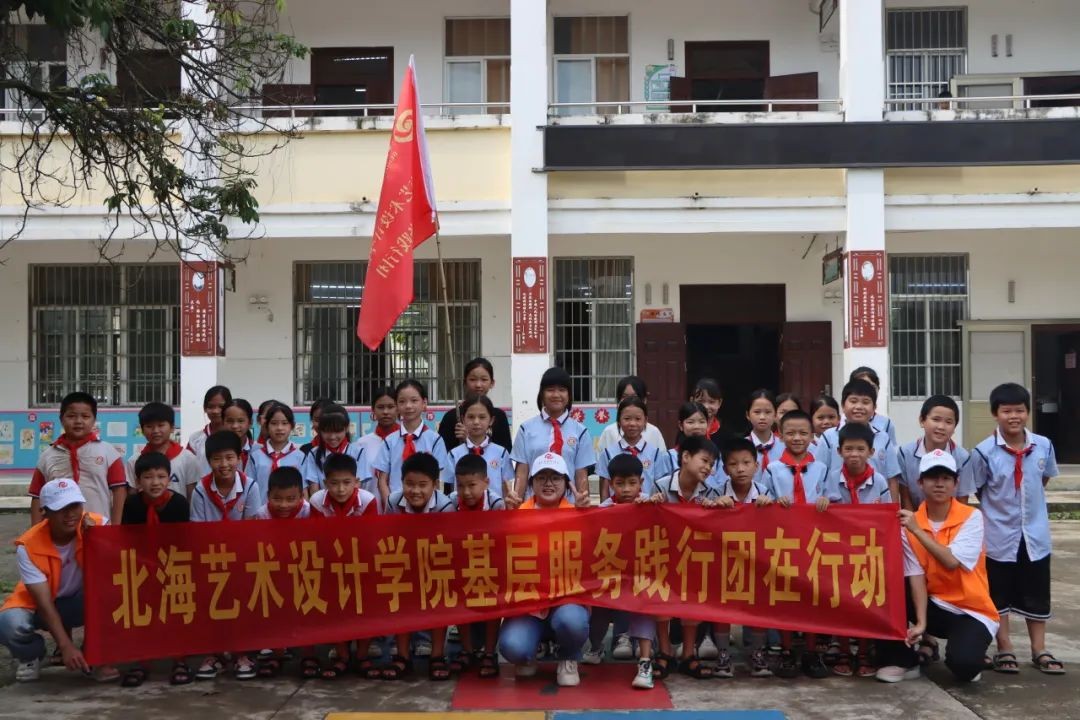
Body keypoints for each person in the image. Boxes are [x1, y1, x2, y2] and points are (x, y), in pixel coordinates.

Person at [875, 449, 999, 684]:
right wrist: (921, 623)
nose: (939, 484)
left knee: (964, 666)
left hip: (970, 610)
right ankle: (903, 661)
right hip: (934, 604)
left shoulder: (971, 517)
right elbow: (916, 576)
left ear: (955, 483)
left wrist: (917, 531)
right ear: (920, 483)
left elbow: (951, 562)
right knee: (885, 588)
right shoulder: (911, 524)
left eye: (946, 478)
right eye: (932, 477)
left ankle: (969, 654)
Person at [971, 383, 1065, 675]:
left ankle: (1039, 649)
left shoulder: (1043, 445)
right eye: (1006, 411)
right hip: (998, 535)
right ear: (995, 414)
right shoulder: (983, 452)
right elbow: (978, 488)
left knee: (1037, 593)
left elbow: (1042, 480)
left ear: (1028, 412)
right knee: (999, 594)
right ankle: (1005, 647)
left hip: (1035, 535)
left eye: (1020, 410)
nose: (1014, 416)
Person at [0, 480, 113, 683]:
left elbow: (111, 575)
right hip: (39, 605)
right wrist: (65, 646)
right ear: (45, 513)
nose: (70, 514)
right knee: (9, 623)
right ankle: (30, 655)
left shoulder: (99, 525)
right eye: (61, 509)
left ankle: (97, 654)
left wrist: (95, 538)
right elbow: (44, 605)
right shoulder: (28, 545)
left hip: (79, 601)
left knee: (111, 597)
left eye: (75, 506)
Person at [498, 452, 591, 687]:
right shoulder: (518, 514)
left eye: (555, 478)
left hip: (567, 600)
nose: (548, 484)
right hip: (528, 605)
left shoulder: (578, 514)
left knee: (572, 622)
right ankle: (531, 651)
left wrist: (587, 518)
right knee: (512, 647)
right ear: (531, 484)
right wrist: (506, 519)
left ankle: (568, 655)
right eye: (541, 478)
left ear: (566, 483)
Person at [651, 435, 726, 680]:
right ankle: (664, 651)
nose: (708, 468)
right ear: (685, 457)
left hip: (695, 558)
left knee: (693, 600)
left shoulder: (711, 492)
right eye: (704, 460)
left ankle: (688, 654)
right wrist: (651, 504)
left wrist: (719, 507)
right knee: (661, 598)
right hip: (664, 556)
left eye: (712, 464)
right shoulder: (661, 486)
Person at [763, 410, 831, 679]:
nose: (797, 438)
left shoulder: (822, 469)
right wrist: (772, 502)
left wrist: (826, 501)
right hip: (785, 540)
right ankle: (787, 650)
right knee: (786, 596)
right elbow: (763, 499)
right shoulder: (772, 468)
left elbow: (831, 497)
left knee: (812, 596)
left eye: (803, 433)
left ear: (813, 436)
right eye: (790, 433)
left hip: (814, 541)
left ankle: (812, 651)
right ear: (780, 435)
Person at [190, 431, 262, 679]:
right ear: (209, 461)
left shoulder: (250, 486)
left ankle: (243, 653)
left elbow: (251, 527)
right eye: (217, 459)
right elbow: (198, 530)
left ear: (239, 458)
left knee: (242, 605)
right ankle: (214, 653)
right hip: (211, 558)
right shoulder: (201, 490)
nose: (224, 464)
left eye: (229, 457)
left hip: (241, 558)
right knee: (211, 606)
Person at [584, 454, 658, 689]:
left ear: (641, 483)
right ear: (610, 484)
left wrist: (655, 507)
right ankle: (596, 647)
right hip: (610, 573)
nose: (626, 489)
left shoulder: (650, 505)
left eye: (632, 483)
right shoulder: (603, 509)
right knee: (599, 611)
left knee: (644, 607)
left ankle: (645, 662)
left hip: (641, 574)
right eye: (620, 483)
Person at [119, 452, 192, 686]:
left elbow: (185, 539)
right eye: (148, 477)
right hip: (143, 568)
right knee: (143, 614)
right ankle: (142, 660)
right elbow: (126, 538)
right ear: (138, 480)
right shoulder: (132, 504)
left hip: (174, 566)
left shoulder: (179, 503)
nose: (155, 482)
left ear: (169, 478)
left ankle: (180, 659)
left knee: (177, 612)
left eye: (161, 476)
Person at [826, 422, 891, 678]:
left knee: (866, 601)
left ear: (871, 452)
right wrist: (822, 504)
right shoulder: (831, 479)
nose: (854, 454)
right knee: (842, 602)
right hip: (840, 551)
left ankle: (864, 651)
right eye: (849, 449)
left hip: (868, 551)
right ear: (839, 451)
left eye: (861, 449)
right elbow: (822, 514)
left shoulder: (879, 481)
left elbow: (887, 516)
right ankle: (843, 650)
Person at [307, 453, 380, 678]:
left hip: (361, 562)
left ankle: (363, 655)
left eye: (347, 482)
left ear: (357, 482)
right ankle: (342, 656)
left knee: (365, 609)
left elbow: (370, 537)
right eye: (334, 483)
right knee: (335, 609)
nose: (340, 489)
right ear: (325, 482)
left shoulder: (368, 500)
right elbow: (317, 538)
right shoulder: (316, 501)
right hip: (330, 563)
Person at [384, 452, 455, 681]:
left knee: (439, 602)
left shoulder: (445, 506)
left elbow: (447, 545)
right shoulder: (393, 501)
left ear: (435, 484)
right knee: (400, 599)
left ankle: (437, 655)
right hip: (403, 562)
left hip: (435, 564)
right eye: (409, 484)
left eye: (422, 485)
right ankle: (402, 656)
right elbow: (388, 537)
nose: (415, 491)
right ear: (401, 482)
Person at [251, 467, 324, 679]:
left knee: (307, 611)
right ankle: (277, 654)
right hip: (275, 570)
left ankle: (309, 654)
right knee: (276, 612)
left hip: (304, 569)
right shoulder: (261, 515)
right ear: (268, 496)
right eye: (277, 499)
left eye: (291, 499)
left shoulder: (309, 511)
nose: (284, 505)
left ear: (301, 496)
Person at [717, 437, 773, 678]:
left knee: (758, 604)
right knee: (721, 606)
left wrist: (771, 506)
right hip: (724, 561)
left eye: (746, 463)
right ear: (724, 468)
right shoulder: (717, 493)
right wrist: (713, 505)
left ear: (756, 465)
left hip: (755, 561)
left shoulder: (765, 493)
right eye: (733, 464)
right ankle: (723, 654)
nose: (740, 469)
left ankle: (757, 653)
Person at [29, 391, 126, 525]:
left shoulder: (109, 452)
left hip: (99, 527)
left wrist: (115, 527)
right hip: (59, 531)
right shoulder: (47, 456)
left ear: (94, 420)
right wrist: (35, 530)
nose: (78, 421)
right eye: (71, 416)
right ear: (61, 419)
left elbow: (119, 491)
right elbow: (37, 496)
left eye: (85, 416)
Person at [448, 453, 505, 679]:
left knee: (492, 604)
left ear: (486, 482)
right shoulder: (451, 503)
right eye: (461, 486)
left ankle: (490, 652)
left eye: (472, 485)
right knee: (460, 602)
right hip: (460, 564)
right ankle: (467, 650)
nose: (466, 492)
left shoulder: (497, 504)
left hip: (490, 565)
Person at [510, 367, 595, 503]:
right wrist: (517, 504)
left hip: (568, 507)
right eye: (550, 390)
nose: (556, 395)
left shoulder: (580, 432)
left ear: (569, 395)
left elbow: (581, 475)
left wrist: (583, 503)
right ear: (542, 395)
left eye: (562, 390)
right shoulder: (526, 429)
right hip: (533, 507)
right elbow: (522, 472)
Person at [814, 379, 901, 502]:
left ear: (874, 408)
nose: (859, 407)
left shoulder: (883, 438)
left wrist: (893, 510)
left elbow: (892, 478)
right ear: (843, 405)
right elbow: (818, 474)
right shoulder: (829, 437)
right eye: (853, 401)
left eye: (866, 402)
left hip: (873, 507)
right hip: (837, 506)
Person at [373, 380, 449, 509]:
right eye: (402, 401)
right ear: (397, 405)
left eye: (414, 400)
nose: (408, 406)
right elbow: (382, 481)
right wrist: (392, 506)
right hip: (397, 507)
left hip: (427, 507)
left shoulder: (435, 440)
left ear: (424, 403)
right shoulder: (389, 441)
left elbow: (439, 479)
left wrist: (431, 507)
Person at [897, 395, 974, 510]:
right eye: (936, 419)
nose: (941, 427)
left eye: (949, 422)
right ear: (922, 421)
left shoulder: (963, 458)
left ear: (954, 427)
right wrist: (914, 520)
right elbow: (905, 496)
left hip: (951, 519)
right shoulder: (905, 453)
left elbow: (962, 499)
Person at [596, 396, 671, 500]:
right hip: (617, 508)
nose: (632, 423)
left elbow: (661, 487)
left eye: (638, 419)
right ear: (619, 421)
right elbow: (604, 490)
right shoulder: (608, 454)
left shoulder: (655, 454)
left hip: (647, 508)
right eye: (627, 419)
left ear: (645, 420)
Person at [442, 394, 513, 498]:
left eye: (482, 417)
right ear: (463, 419)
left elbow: (506, 486)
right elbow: (450, 488)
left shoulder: (501, 453)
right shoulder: (454, 454)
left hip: (495, 508)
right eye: (471, 417)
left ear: (491, 420)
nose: (476, 422)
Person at [127, 402, 201, 500]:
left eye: (161, 425)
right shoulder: (134, 461)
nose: (155, 431)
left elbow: (192, 498)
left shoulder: (188, 459)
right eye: (149, 426)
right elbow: (132, 496)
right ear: (142, 430)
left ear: (172, 427)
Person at [437, 357, 513, 452]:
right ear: (465, 382)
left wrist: (470, 439)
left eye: (484, 379)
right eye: (473, 379)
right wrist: (462, 441)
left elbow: (505, 453)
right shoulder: (452, 417)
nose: (478, 385)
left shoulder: (499, 416)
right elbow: (441, 454)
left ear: (492, 383)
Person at [301, 405, 371, 495]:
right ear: (320, 431)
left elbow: (357, 486)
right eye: (327, 431)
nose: (332, 437)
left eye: (337, 431)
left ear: (346, 428)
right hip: (323, 502)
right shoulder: (314, 454)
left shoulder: (358, 453)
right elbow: (314, 489)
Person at [597, 376, 668, 453]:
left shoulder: (654, 433)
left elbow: (662, 458)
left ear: (644, 400)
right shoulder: (609, 432)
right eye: (624, 397)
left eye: (635, 397)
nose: (630, 401)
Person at [250, 402, 305, 499]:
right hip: (261, 508)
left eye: (284, 423)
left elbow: (303, 489)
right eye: (274, 423)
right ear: (266, 426)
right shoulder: (255, 457)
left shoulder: (300, 457)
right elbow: (249, 489)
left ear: (292, 426)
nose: (279, 428)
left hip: (291, 508)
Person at [668, 401, 725, 489]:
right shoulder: (669, 456)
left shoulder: (714, 455)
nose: (697, 426)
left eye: (702, 422)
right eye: (690, 422)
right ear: (680, 425)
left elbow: (722, 485)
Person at [849, 367, 898, 444]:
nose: (868, 390)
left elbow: (891, 449)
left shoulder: (886, 423)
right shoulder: (839, 422)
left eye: (873, 387)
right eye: (862, 386)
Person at [746, 389, 785, 483]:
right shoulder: (741, 447)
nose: (762, 417)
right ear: (748, 415)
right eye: (757, 412)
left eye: (768, 412)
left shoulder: (785, 446)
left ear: (775, 415)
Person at [186, 385, 232, 460]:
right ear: (204, 408)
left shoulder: (237, 436)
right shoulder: (195, 439)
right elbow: (188, 464)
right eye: (211, 406)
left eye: (221, 406)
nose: (215, 411)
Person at [355, 387, 399, 462]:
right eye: (380, 407)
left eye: (390, 407)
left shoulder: (407, 441)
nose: (385, 412)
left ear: (398, 409)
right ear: (373, 409)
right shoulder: (362, 444)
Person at [691, 378, 732, 447]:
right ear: (692, 401)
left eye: (711, 402)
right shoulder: (687, 431)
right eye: (701, 401)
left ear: (719, 403)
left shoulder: (727, 435)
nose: (706, 406)